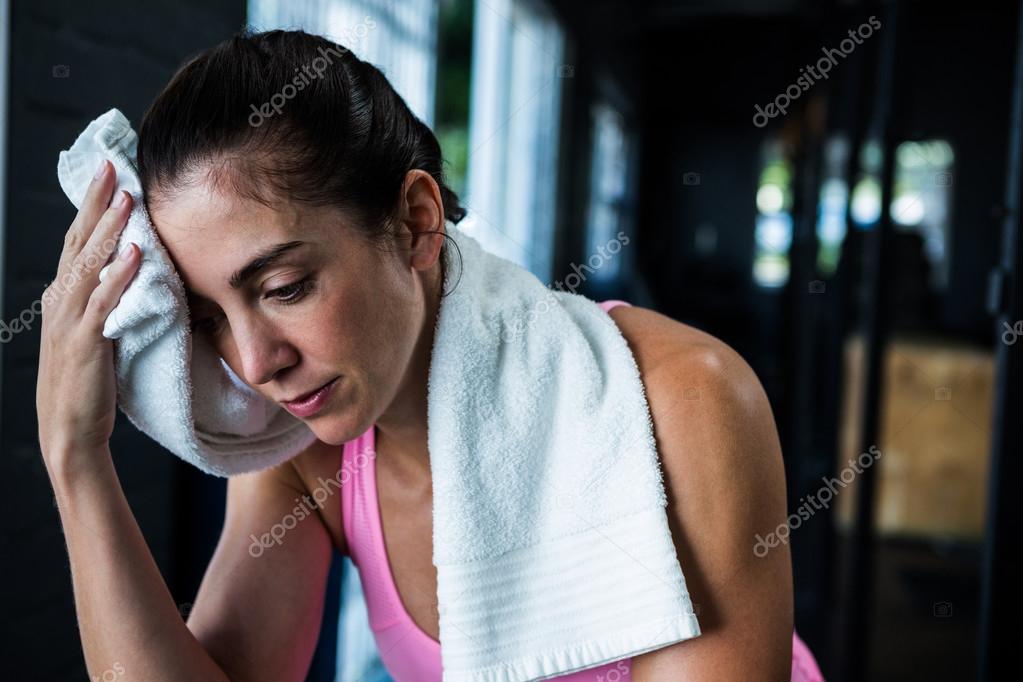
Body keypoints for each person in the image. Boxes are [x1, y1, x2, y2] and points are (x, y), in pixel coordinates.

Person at [36, 28, 813, 681]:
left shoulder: (683, 400)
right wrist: (76, 460)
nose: (254, 362)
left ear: (414, 220)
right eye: (209, 319)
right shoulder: (303, 453)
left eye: (283, 286)